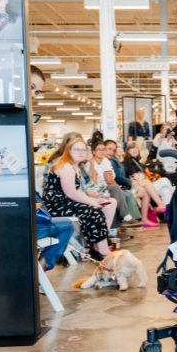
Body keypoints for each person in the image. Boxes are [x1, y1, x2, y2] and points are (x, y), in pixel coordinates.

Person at [29, 64, 74, 270]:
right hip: (40, 215)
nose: (34, 95)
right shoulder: (62, 165)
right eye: (31, 88)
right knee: (69, 225)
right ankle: (43, 267)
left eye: (37, 91)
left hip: (40, 209)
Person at [43, 137, 115, 261]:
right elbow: (71, 193)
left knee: (96, 208)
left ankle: (97, 248)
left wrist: (93, 202)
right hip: (55, 205)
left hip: (65, 202)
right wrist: (93, 204)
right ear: (69, 151)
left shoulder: (76, 167)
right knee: (93, 211)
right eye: (77, 150)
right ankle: (102, 250)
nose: (81, 152)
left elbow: (78, 191)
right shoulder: (65, 166)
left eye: (83, 150)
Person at [89, 141, 132, 231]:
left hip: (104, 188)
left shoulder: (105, 160)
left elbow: (109, 179)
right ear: (93, 151)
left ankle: (115, 230)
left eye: (103, 149)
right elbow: (93, 184)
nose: (102, 151)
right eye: (99, 149)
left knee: (118, 193)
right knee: (116, 193)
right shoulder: (90, 162)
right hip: (94, 190)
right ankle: (125, 217)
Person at [123, 141, 166, 227]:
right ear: (128, 151)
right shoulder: (128, 161)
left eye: (136, 147)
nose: (135, 150)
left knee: (148, 191)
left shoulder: (136, 161)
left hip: (136, 184)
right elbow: (135, 175)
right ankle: (160, 204)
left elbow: (139, 175)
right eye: (132, 148)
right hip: (130, 185)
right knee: (149, 182)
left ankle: (144, 219)